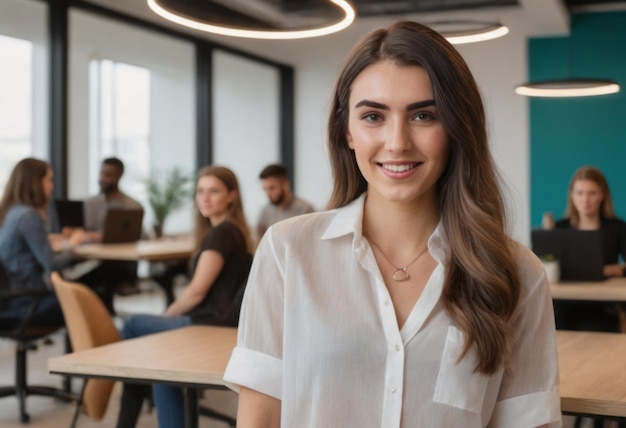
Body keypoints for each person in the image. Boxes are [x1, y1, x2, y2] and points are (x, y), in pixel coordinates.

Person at [224, 21, 561, 427]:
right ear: (346, 131)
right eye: (372, 116)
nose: (398, 142)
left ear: (456, 129)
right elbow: (259, 419)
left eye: (423, 115)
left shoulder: (517, 274)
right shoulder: (287, 250)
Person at [115, 165, 254, 428]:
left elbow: (195, 293)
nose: (205, 198)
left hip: (209, 323)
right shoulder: (233, 232)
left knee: (134, 325)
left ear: (232, 196)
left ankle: (125, 418)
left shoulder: (221, 234)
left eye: (214, 191)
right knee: (156, 364)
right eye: (200, 191)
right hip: (221, 322)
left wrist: (164, 318)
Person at [0, 158, 85, 326]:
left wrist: (49, 239)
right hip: (27, 303)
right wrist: (74, 245)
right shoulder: (30, 216)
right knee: (85, 298)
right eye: (49, 180)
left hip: (8, 301)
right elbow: (52, 264)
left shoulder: (10, 212)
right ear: (35, 182)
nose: (52, 186)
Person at [553, 165, 626, 332]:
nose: (585, 199)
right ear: (572, 196)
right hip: (564, 303)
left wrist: (615, 271)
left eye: (592, 193)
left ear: (603, 196)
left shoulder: (618, 228)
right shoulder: (559, 228)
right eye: (579, 193)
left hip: (602, 304)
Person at [77, 157, 144, 308]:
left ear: (119, 177)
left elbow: (141, 235)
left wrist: (101, 236)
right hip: (90, 259)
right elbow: (81, 232)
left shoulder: (131, 206)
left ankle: (102, 318)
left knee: (96, 276)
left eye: (109, 175)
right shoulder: (89, 203)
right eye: (102, 174)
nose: (103, 179)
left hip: (120, 262)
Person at [256, 164, 314, 239]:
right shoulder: (265, 211)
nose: (268, 194)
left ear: (285, 184)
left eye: (272, 188)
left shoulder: (305, 210)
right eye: (265, 189)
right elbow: (260, 242)